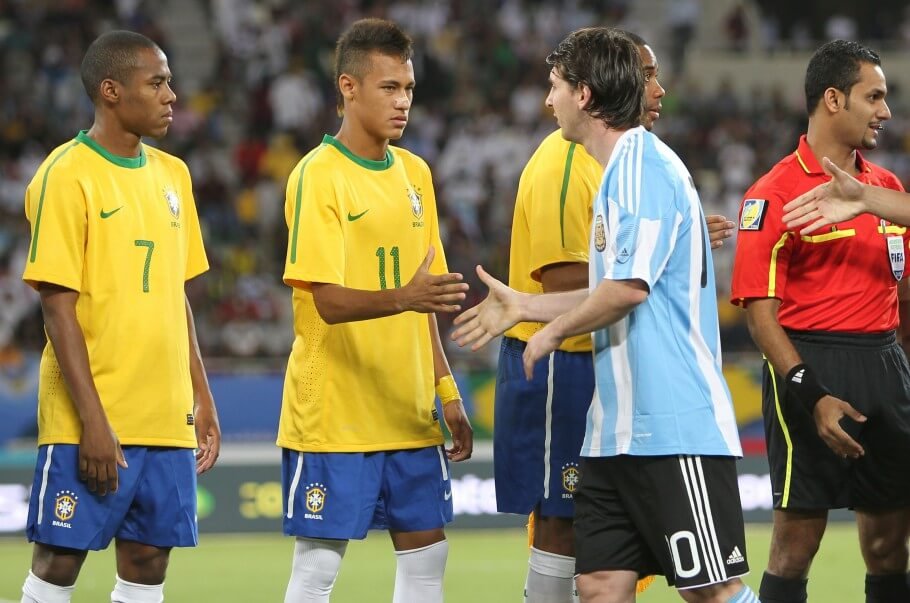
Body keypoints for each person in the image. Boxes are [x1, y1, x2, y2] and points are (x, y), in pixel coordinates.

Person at [454, 27, 756, 603]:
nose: (548, 101)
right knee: (596, 585)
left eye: (556, 87)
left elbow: (627, 292)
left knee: (712, 591)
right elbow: (604, 287)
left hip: (671, 425)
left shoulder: (642, 165)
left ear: (585, 95)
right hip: (613, 433)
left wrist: (550, 333)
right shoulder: (617, 169)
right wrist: (525, 306)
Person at [18, 30, 221, 603]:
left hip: (165, 413)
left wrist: (200, 396)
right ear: (111, 91)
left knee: (148, 562)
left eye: (169, 82)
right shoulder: (66, 174)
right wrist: (94, 422)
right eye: (156, 82)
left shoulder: (174, 176)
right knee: (58, 563)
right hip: (93, 414)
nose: (171, 95)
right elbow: (57, 309)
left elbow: (175, 297)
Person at [278, 18, 473, 603]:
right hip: (335, 413)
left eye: (409, 88)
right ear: (348, 87)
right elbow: (327, 302)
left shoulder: (417, 174)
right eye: (389, 87)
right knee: (316, 571)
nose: (403, 102)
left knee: (428, 558)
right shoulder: (318, 176)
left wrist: (448, 393)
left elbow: (429, 300)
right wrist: (403, 299)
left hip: (408, 412)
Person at [730, 40, 910, 603]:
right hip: (809, 367)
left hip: (886, 362)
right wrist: (811, 394)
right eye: (873, 97)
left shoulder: (886, 191)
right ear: (833, 99)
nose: (885, 111)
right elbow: (761, 318)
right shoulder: (772, 193)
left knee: (888, 547)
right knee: (795, 546)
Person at [783, 156, 910, 232]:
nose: (885, 114)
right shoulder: (778, 188)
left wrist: (862, 196)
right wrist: (862, 196)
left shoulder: (889, 182)